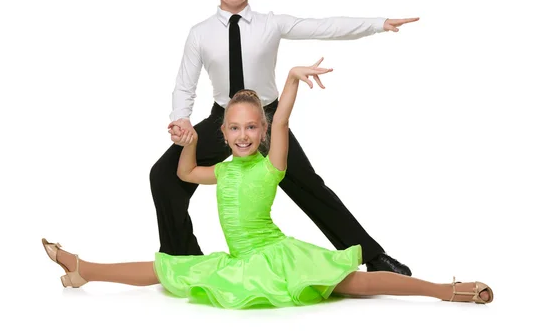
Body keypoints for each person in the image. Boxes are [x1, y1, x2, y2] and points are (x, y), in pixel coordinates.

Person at [42, 59, 493, 309]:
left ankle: (444, 289)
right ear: (225, 135)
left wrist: (292, 79)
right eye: (235, 129)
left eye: (252, 128)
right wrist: (191, 141)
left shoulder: (269, 166)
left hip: (277, 257)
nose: (243, 136)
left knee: (356, 284)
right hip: (239, 261)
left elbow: (284, 121)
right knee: (166, 267)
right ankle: (85, 269)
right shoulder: (221, 170)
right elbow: (183, 175)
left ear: (262, 131)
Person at [150, 0, 420, 275]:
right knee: (164, 175)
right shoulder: (200, 33)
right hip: (223, 119)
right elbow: (184, 84)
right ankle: (181, 258)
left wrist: (378, 23)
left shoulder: (271, 24)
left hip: (266, 118)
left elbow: (325, 27)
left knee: (309, 186)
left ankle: (374, 258)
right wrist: (180, 119)